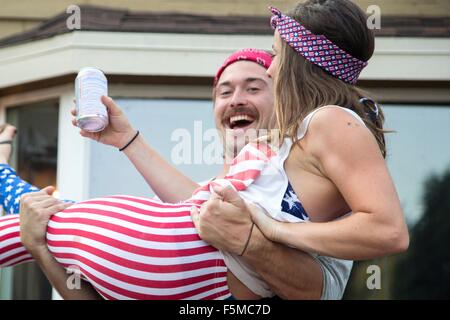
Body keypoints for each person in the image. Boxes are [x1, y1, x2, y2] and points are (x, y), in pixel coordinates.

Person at [0, 50, 348, 299]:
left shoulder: (313, 188)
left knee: (58, 209)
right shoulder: (181, 216)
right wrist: (39, 247)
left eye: (254, 88)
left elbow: (314, 291)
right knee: (51, 210)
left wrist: (247, 241)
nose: (236, 100)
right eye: (224, 92)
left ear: (285, 101)